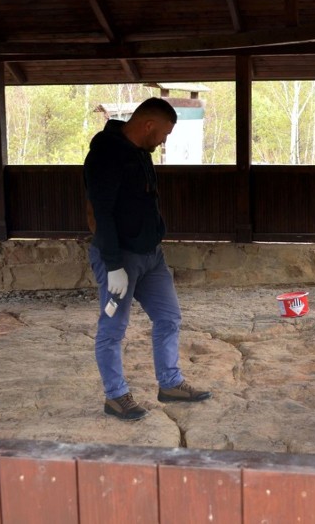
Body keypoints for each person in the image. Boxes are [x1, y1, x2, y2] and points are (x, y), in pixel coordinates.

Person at [84, 97, 211, 421]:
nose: (164, 140)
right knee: (113, 330)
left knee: (169, 318)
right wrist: (113, 265)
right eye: (164, 133)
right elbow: (101, 212)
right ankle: (115, 396)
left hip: (151, 256)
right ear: (149, 125)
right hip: (120, 257)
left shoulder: (141, 151)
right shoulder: (106, 154)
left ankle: (170, 383)